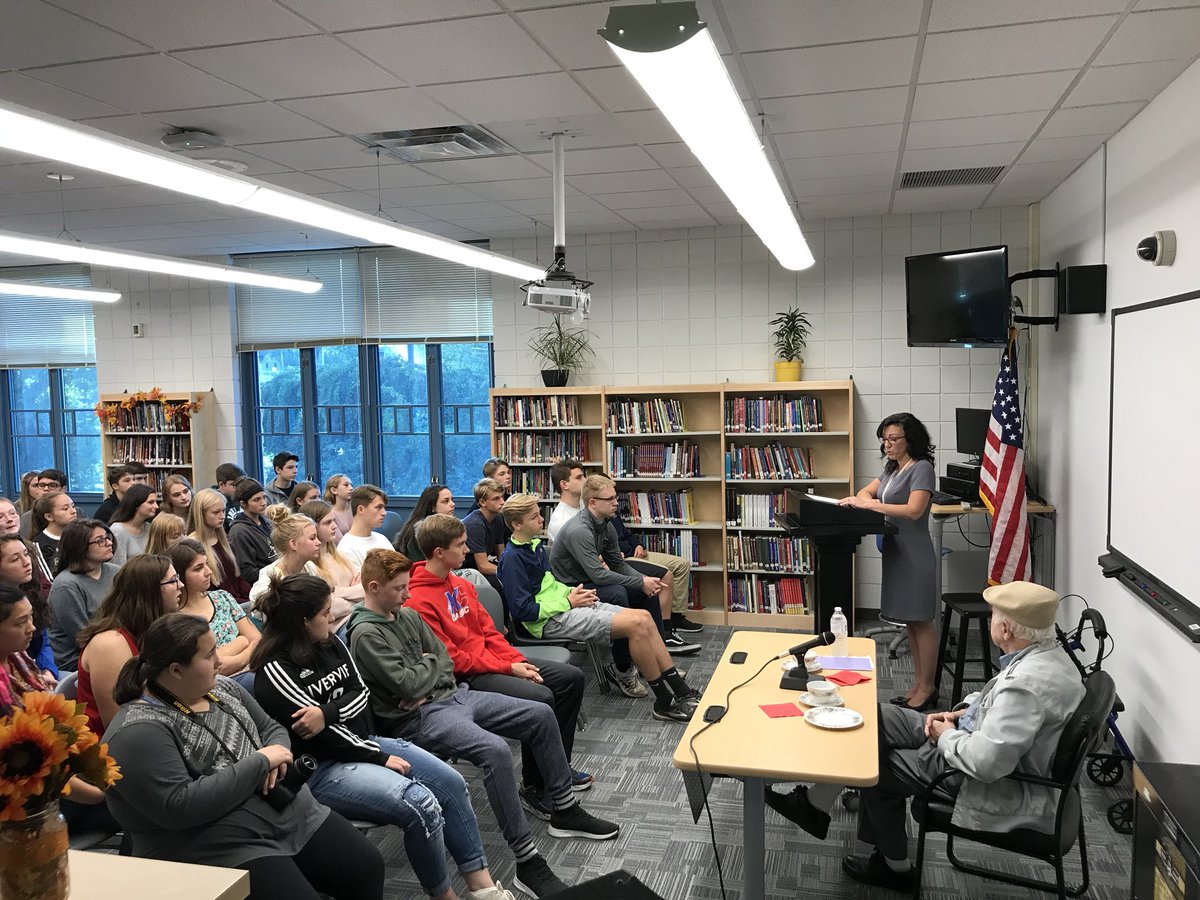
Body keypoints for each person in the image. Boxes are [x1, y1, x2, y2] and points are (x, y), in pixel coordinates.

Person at [765, 582, 1086, 891]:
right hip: (967, 735)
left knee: (874, 766)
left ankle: (894, 869)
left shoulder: (1026, 685)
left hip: (974, 773)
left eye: (993, 617)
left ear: (1006, 630)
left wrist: (946, 735)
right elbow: (998, 705)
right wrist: (960, 712)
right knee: (873, 719)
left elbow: (988, 762)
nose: (991, 621)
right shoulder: (1050, 657)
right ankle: (814, 805)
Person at [349, 550, 620, 898]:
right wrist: (427, 671)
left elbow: (444, 661)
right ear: (373, 587)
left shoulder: (407, 614)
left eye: (407, 586)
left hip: (455, 695)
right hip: (419, 718)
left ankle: (564, 809)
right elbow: (408, 685)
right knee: (495, 751)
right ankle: (527, 860)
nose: (407, 594)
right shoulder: (366, 634)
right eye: (399, 588)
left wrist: (425, 673)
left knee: (540, 714)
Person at [252, 573, 516, 900]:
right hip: (322, 768)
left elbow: (361, 694)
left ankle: (483, 889)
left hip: (362, 743)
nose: (332, 618)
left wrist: (327, 713)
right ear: (303, 622)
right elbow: (322, 737)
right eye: (324, 613)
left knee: (451, 782)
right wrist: (375, 754)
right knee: (422, 804)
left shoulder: (329, 641)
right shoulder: (275, 670)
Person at [104, 613, 384, 900]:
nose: (220, 661)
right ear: (176, 670)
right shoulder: (137, 731)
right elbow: (180, 806)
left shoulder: (221, 687)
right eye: (209, 655)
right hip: (215, 842)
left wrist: (277, 757)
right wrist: (261, 762)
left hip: (285, 811)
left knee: (366, 867)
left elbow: (271, 728)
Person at [406, 514, 591, 805]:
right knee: (541, 696)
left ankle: (557, 766)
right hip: (465, 677)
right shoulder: (417, 600)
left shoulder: (459, 584)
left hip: (492, 660)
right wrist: (509, 668)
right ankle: (535, 786)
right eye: (461, 544)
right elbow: (452, 660)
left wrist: (517, 660)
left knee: (571, 678)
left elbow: (489, 633)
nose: (467, 550)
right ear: (439, 552)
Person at [499, 496, 700, 722]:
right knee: (635, 625)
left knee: (644, 617)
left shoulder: (535, 546)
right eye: (534, 516)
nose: (541, 519)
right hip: (547, 621)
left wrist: (571, 593)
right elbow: (523, 611)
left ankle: (681, 690)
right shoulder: (512, 559)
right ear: (517, 525)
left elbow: (550, 585)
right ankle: (663, 701)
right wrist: (568, 602)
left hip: (565, 605)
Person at [550, 474, 694, 693]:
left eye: (615, 497)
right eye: (609, 499)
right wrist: (639, 581)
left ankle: (654, 659)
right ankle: (622, 668)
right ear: (593, 503)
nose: (616, 503)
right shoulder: (580, 530)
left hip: (591, 581)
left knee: (646, 591)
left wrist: (643, 581)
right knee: (618, 593)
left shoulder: (605, 525)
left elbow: (617, 564)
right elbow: (599, 575)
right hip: (573, 589)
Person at [838, 412, 939, 711]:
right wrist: (865, 500)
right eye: (884, 439)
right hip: (896, 552)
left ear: (911, 440)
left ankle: (928, 687)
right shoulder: (893, 468)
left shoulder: (922, 468)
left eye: (893, 439)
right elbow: (865, 492)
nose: (887, 445)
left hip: (915, 554)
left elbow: (914, 510)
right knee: (911, 621)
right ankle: (918, 684)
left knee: (922, 621)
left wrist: (871, 505)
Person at [0, 583, 115, 838]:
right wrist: (97, 793)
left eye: (31, 617)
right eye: (20, 622)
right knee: (133, 808)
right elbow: (29, 767)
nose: (32, 627)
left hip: (60, 775)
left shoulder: (19, 658)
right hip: (30, 795)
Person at [75, 554, 183, 734]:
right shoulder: (110, 644)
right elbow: (121, 726)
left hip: (158, 728)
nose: (181, 585)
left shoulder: (155, 630)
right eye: (173, 581)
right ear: (150, 591)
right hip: (118, 743)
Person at [171, 539, 260, 689]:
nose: (208, 572)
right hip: (217, 685)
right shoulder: (177, 619)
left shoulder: (221, 598)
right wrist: (241, 642)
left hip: (250, 667)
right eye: (198, 568)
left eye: (207, 564)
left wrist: (238, 660)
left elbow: (257, 639)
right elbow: (202, 667)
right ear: (179, 576)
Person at [47, 519, 119, 671]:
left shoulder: (115, 572)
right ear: (80, 548)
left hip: (113, 645)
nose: (109, 543)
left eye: (108, 537)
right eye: (100, 540)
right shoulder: (66, 585)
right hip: (77, 661)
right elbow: (82, 638)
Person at [0, 534, 57, 684]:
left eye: (26, 554)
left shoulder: (31, 592)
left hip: (35, 670)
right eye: (15, 559)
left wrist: (48, 670)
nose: (27, 562)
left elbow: (43, 642)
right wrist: (33, 677)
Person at [248, 506, 325, 611]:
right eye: (312, 538)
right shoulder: (268, 583)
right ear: (293, 544)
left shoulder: (309, 567)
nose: (318, 542)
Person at [188, 488, 252, 603]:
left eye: (223, 511)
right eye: (216, 512)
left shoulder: (225, 540)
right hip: (219, 603)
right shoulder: (192, 545)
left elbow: (236, 578)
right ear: (201, 514)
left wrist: (253, 596)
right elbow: (208, 591)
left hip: (237, 600)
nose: (222, 516)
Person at [299, 499, 363, 612]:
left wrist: (338, 592)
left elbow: (365, 590)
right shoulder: (308, 566)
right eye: (327, 523)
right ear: (313, 527)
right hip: (337, 621)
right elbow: (329, 608)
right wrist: (353, 595)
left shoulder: (342, 556)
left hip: (356, 615)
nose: (334, 526)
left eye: (334, 521)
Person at [461, 479, 507, 590]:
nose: (502, 502)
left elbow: (501, 555)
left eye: (502, 497)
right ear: (482, 502)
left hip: (480, 566)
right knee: (504, 585)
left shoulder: (498, 518)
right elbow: (483, 566)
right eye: (496, 499)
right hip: (467, 570)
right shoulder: (475, 524)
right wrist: (509, 571)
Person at [228, 479, 275, 585]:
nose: (263, 503)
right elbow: (247, 573)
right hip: (263, 584)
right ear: (243, 504)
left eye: (264, 497)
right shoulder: (239, 532)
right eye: (256, 500)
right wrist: (276, 572)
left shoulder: (267, 522)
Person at [336, 485, 393, 572]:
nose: (384, 513)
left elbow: (398, 570)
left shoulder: (382, 539)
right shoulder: (346, 549)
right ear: (361, 510)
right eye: (378, 507)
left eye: (383, 508)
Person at [395, 483, 457, 563]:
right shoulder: (421, 530)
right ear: (432, 507)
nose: (453, 504)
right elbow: (420, 564)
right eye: (446, 501)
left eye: (452, 500)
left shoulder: (445, 526)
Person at [109, 484, 160, 566]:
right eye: (151, 502)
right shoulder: (118, 531)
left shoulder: (149, 528)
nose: (156, 506)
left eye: (156, 502)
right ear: (136, 504)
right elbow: (118, 566)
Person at [30, 489, 77, 571]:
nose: (73, 511)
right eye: (65, 508)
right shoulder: (38, 545)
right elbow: (47, 576)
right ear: (49, 516)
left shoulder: (80, 536)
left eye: (73, 506)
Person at [545, 459, 585, 542]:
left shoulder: (585, 505)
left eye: (583, 476)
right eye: (579, 478)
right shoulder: (561, 521)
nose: (585, 480)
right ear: (564, 484)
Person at [213, 462, 247, 530]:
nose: (239, 488)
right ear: (221, 485)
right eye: (234, 485)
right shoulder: (213, 502)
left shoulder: (241, 496)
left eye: (241, 484)